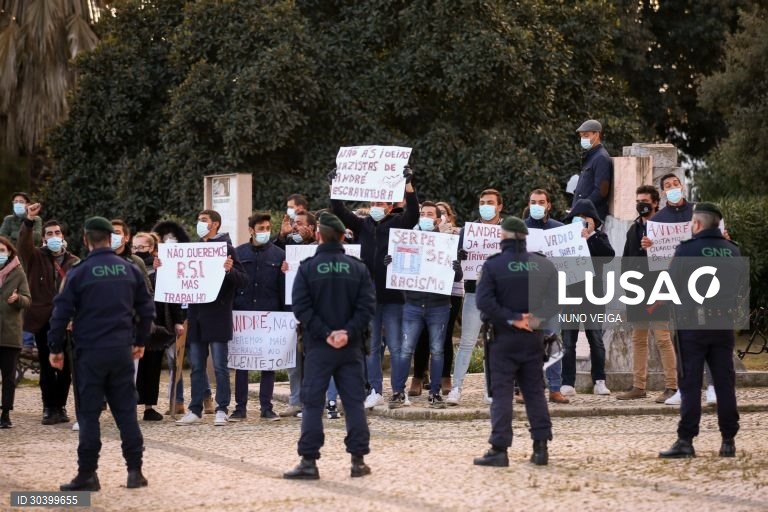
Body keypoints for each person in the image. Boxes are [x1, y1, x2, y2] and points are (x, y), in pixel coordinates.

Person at [49, 217, 155, 491]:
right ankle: (135, 472)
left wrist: (55, 348)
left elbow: (60, 313)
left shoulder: (78, 272)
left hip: (90, 353)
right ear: (111, 239)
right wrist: (140, 341)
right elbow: (147, 310)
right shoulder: (129, 270)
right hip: (121, 351)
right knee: (126, 414)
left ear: (86, 240)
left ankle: (88, 474)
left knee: (88, 415)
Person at [284, 213, 376, 480]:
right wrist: (346, 333)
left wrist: (326, 333)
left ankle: (309, 462)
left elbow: (301, 308)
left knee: (312, 404)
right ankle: (358, 461)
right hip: (350, 348)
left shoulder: (308, 267)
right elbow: (367, 307)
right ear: (341, 237)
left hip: (318, 348)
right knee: (354, 403)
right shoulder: (357, 268)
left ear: (318, 235)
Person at [659, 203, 745, 459]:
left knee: (690, 383)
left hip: (693, 327)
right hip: (723, 325)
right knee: (724, 382)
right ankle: (728, 440)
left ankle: (686, 440)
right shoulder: (733, 251)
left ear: (697, 224)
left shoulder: (686, 250)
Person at [329, 166, 418, 409]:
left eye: (382, 203)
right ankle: (375, 390)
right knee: (371, 348)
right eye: (374, 202)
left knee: (398, 346)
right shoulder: (362, 225)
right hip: (368, 297)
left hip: (395, 297)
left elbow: (414, 215)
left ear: (389, 207)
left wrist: (409, 186)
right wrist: (335, 186)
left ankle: (399, 391)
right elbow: (338, 210)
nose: (378, 206)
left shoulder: (399, 223)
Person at [472, 217, 559, 467]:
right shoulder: (544, 264)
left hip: (503, 339)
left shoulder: (493, 266)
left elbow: (484, 302)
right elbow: (556, 300)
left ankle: (499, 449)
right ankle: (540, 448)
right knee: (534, 393)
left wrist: (513, 319)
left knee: (502, 394)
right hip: (534, 338)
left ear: (503, 236)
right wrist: (535, 318)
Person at [644, 174, 717, 405]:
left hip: (703, 281)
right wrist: (648, 245)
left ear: (682, 186)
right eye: (667, 186)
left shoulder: (699, 212)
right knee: (682, 339)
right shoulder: (658, 220)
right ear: (663, 192)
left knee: (708, 335)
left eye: (675, 184)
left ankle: (713, 386)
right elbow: (657, 256)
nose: (672, 188)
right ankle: (684, 389)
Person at [174, 209, 248, 426]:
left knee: (219, 366)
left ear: (215, 224)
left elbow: (242, 280)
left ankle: (222, 408)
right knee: (196, 366)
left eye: (204, 220)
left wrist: (229, 270)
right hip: (196, 316)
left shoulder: (227, 249)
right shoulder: (194, 250)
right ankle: (195, 409)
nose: (199, 223)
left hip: (218, 315)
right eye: (198, 220)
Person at [387, 201, 463, 409]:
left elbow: (457, 277)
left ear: (439, 219)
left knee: (437, 350)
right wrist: (391, 262)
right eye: (423, 213)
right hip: (412, 304)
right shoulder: (408, 240)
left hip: (438, 305)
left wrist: (457, 266)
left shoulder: (447, 243)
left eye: (430, 214)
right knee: (406, 349)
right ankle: (397, 392)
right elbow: (399, 270)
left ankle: (435, 393)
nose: (426, 217)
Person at [18, 203, 79, 425]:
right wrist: (29, 221)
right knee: (47, 364)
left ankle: (60, 406)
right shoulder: (36, 256)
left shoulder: (75, 262)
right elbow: (23, 245)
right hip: (43, 320)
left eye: (57, 233)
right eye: (49, 234)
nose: (54, 236)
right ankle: (48, 406)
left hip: (68, 321)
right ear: (43, 239)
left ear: (63, 236)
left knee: (66, 367)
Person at [617, 185, 678, 402]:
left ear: (655, 203)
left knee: (662, 338)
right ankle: (638, 386)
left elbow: (673, 259)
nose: (640, 205)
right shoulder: (633, 229)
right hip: (637, 290)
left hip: (658, 289)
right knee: (638, 339)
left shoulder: (665, 228)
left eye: (644, 201)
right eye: (637, 201)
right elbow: (625, 259)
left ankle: (672, 386)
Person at [447, 189, 504, 406]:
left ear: (499, 206)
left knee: (495, 343)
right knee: (467, 342)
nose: (485, 206)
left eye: (490, 202)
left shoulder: (507, 230)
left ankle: (491, 389)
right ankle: (456, 388)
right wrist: (459, 259)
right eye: (482, 202)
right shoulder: (468, 231)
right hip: (474, 292)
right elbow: (457, 265)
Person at [231, 212, 285, 422]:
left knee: (268, 363)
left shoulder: (279, 255)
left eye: (267, 228)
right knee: (242, 363)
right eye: (261, 228)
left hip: (270, 314)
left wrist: (286, 317)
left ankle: (266, 406)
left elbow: (282, 288)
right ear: (251, 230)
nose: (265, 232)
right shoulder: (238, 252)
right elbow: (234, 284)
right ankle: (240, 407)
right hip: (243, 313)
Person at [560, 199, 615, 397]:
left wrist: (589, 236)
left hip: (593, 296)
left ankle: (599, 380)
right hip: (570, 296)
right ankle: (567, 382)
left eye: (586, 218)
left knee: (596, 340)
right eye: (579, 217)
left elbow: (608, 254)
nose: (582, 220)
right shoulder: (565, 239)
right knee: (568, 342)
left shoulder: (599, 237)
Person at [410, 200, 463, 396]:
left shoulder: (454, 236)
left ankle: (444, 377)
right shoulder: (415, 235)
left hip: (450, 292)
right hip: (425, 291)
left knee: (445, 336)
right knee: (422, 335)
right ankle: (417, 377)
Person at [522, 188, 569, 404]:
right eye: (533, 201)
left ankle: (555, 388)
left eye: (541, 202)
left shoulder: (560, 231)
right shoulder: (519, 229)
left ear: (549, 204)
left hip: (553, 296)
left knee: (553, 342)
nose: (537, 205)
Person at [133, 232, 185, 421]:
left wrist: (178, 320)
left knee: (152, 367)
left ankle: (149, 406)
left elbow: (172, 296)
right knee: (132, 367)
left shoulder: (162, 268)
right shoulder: (129, 266)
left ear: (153, 249)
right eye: (135, 248)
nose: (138, 251)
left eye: (142, 248)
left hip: (157, 324)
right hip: (133, 323)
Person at [151, 220, 191, 415]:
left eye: (173, 241)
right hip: (169, 316)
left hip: (189, 311)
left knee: (194, 359)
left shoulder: (189, 259)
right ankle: (177, 400)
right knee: (174, 358)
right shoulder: (155, 264)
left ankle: (206, 396)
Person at [0, 236, 32, 428]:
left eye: (2, 251)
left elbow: (28, 300)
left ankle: (5, 413)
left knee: (9, 377)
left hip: (10, 334)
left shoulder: (18, 273)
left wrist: (18, 298)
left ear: (9, 252)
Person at [572, 119, 613, 222]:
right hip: (583, 214)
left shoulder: (601, 158)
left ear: (597, 135)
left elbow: (601, 191)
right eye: (581, 136)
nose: (583, 139)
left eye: (586, 135)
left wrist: (583, 207)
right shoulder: (591, 156)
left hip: (591, 216)